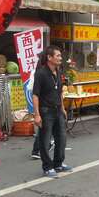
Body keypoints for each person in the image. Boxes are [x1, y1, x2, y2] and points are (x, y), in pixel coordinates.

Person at [33, 45, 72, 178]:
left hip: (57, 110)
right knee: (45, 140)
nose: (60, 58)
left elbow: (59, 91)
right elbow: (35, 95)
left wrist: (62, 108)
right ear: (49, 58)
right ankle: (47, 167)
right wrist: (37, 114)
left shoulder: (59, 71)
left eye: (60, 56)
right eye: (58, 56)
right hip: (45, 111)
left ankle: (58, 163)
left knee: (61, 138)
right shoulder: (41, 73)